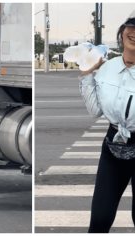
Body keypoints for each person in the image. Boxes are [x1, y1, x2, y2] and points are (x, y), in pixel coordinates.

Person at [79, 10, 135, 233]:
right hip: (113, 147)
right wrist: (86, 76)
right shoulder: (107, 68)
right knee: (100, 218)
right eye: (131, 26)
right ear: (121, 33)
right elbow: (94, 111)